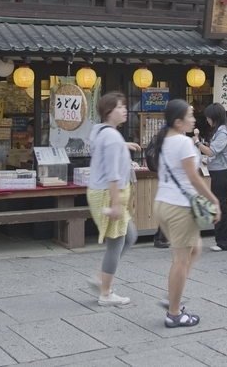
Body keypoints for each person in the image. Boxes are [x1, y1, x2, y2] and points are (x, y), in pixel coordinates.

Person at [152, 99, 221, 327]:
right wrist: (213, 199)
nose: (194, 119)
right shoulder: (183, 142)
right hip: (180, 207)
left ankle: (173, 295)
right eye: (189, 116)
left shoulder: (164, 140)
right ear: (178, 121)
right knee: (180, 260)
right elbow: (194, 177)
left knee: (195, 248)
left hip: (163, 203)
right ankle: (174, 313)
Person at [86, 92, 142, 306]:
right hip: (108, 194)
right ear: (109, 112)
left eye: (124, 106)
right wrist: (116, 203)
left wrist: (122, 145)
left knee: (130, 236)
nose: (125, 110)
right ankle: (105, 293)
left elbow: (106, 148)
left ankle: (100, 278)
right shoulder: (111, 137)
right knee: (117, 242)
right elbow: (112, 173)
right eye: (120, 107)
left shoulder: (102, 132)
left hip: (101, 192)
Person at [196, 103, 227, 251]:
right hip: (218, 172)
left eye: (209, 117)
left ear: (214, 117)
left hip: (222, 173)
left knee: (219, 206)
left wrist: (197, 143)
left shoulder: (223, 133)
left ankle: (225, 242)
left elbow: (212, 152)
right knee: (221, 205)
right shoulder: (221, 131)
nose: (207, 120)